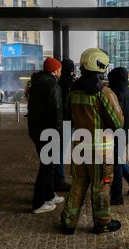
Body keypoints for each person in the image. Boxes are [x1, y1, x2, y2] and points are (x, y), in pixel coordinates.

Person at [61, 48, 124, 235]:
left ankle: (68, 222)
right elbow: (118, 122)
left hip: (79, 147)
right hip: (100, 150)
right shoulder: (103, 93)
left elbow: (67, 118)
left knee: (78, 184)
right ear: (101, 67)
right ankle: (103, 223)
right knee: (101, 186)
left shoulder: (73, 92)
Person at [27, 57, 65, 214]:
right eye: (60, 70)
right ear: (55, 70)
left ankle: (49, 195)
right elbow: (56, 111)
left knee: (48, 164)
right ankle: (38, 202)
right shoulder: (53, 85)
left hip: (36, 129)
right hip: (49, 131)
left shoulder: (36, 83)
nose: (61, 72)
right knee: (47, 166)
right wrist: (59, 133)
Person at [107, 67, 129, 206]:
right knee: (119, 160)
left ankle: (116, 196)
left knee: (116, 164)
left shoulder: (114, 93)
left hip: (116, 133)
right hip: (126, 132)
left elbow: (114, 116)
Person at [53, 59, 76, 193]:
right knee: (61, 151)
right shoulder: (71, 83)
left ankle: (53, 177)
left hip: (57, 120)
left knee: (57, 150)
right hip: (67, 121)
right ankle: (59, 180)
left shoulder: (58, 81)